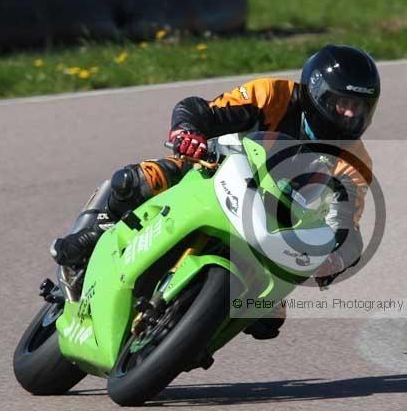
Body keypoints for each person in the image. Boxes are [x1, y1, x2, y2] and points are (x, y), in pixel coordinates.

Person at [50, 44, 380, 339]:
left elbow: (346, 222)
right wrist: (187, 132)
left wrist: (334, 258)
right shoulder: (273, 95)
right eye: (342, 102)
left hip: (272, 228)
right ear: (316, 93)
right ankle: (89, 242)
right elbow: (202, 111)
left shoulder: (355, 161)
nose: (351, 113)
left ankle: (187, 341)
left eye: (359, 106)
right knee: (137, 179)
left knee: (267, 317)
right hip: (212, 173)